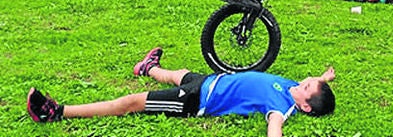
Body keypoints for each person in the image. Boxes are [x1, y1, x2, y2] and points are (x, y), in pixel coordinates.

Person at [27, 47, 336, 136]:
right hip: (207, 81)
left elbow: (274, 128)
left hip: (198, 100)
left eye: (308, 86)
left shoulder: (281, 107)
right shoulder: (293, 88)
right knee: (176, 74)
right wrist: (323, 78)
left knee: (131, 102)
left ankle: (57, 112)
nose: (304, 80)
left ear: (305, 107)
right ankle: (147, 68)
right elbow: (313, 85)